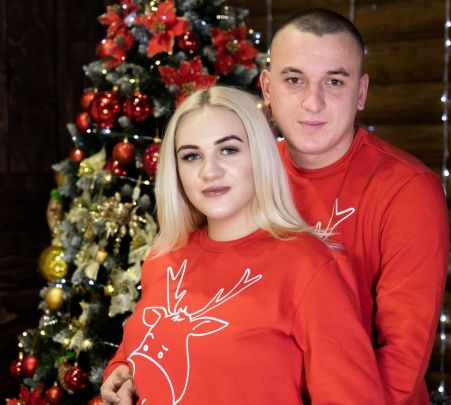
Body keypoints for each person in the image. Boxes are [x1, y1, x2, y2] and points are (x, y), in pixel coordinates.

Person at [100, 86, 384, 404]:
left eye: (228, 150)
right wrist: (121, 370)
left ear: (260, 155)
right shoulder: (164, 257)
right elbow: (145, 344)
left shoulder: (310, 268)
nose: (210, 171)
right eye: (192, 156)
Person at [259, 9, 449, 404]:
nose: (313, 103)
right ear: (266, 88)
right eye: (294, 80)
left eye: (334, 81)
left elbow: (402, 358)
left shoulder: (407, 189)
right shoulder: (246, 176)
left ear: (361, 92)